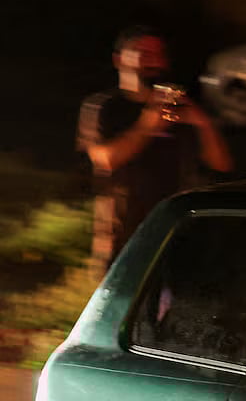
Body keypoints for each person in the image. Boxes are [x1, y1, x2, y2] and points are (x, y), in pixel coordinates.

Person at [78, 25, 232, 268]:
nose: (153, 60)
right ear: (119, 59)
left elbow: (221, 164)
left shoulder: (180, 107)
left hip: (176, 231)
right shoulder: (104, 107)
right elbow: (106, 160)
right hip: (124, 236)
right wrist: (148, 124)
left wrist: (203, 123)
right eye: (143, 52)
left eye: (158, 54)